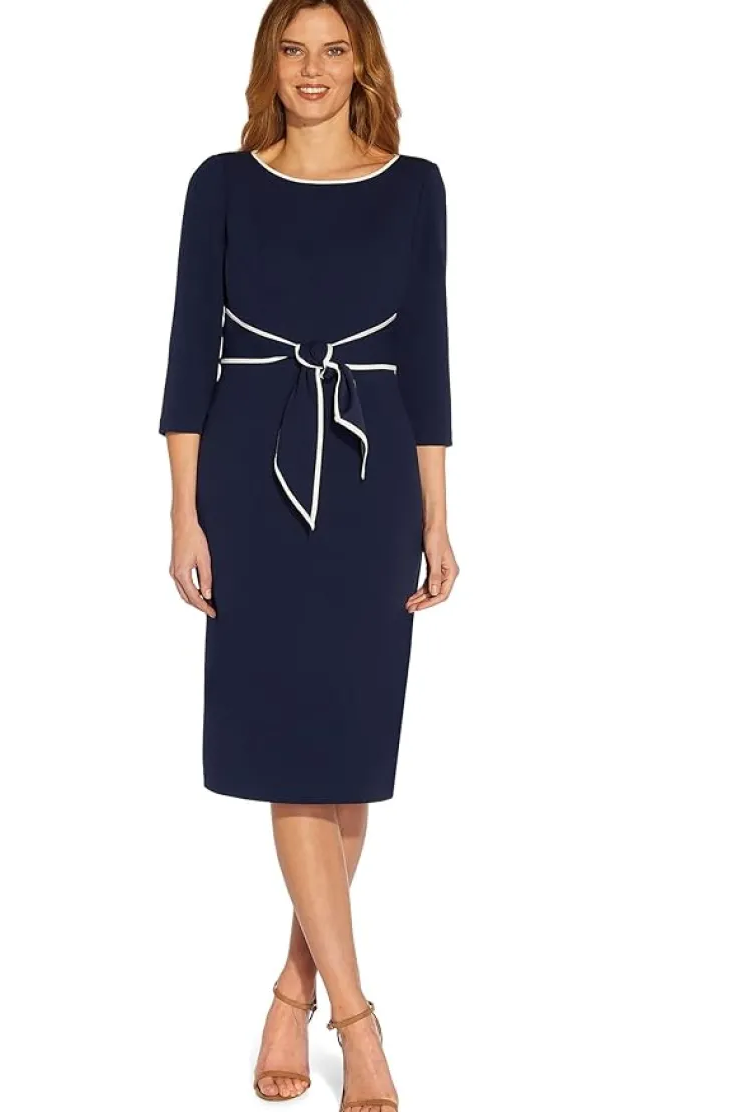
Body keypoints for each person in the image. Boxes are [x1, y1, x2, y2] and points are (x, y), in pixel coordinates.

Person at [158, 1, 458, 1107]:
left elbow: (427, 354)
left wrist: (437, 517)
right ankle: (359, 1022)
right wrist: (183, 513)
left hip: (374, 479)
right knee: (292, 750)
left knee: (344, 757)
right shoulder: (220, 184)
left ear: (361, 63)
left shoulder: (414, 185)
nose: (313, 69)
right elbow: (188, 353)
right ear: (269, 64)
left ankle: (293, 989)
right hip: (249, 481)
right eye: (293, 49)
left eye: (334, 49)